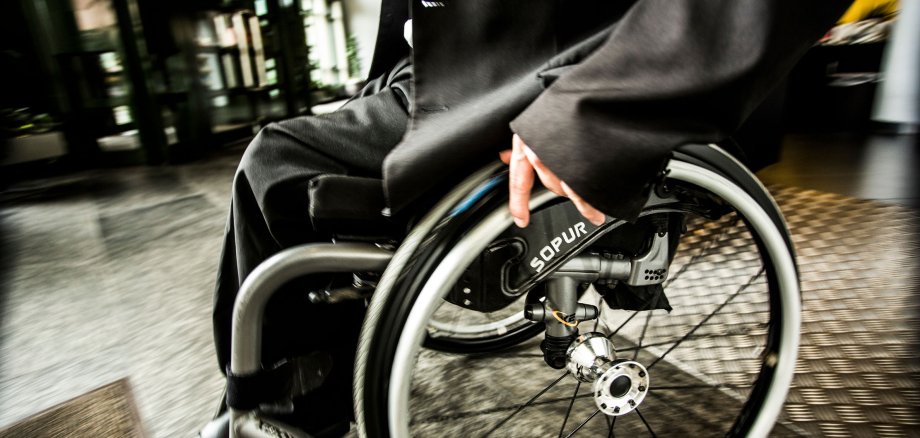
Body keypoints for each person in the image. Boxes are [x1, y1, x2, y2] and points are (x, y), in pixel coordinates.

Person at [212, 0, 850, 435]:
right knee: (298, 150)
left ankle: (293, 411)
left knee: (273, 162)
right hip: (458, 70)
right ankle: (296, 392)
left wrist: (596, 108)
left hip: (526, 78)